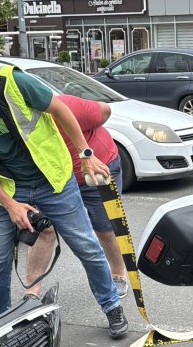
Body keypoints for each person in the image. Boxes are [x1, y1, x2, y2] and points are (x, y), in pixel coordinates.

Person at [0, 63, 129, 339]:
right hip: (9, 187)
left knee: (87, 247)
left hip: (52, 178)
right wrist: (9, 204)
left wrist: (86, 153)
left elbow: (60, 109)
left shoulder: (12, 83)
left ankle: (112, 306)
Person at [24, 93, 130, 304]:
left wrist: (88, 145)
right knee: (43, 230)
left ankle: (118, 274)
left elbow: (104, 110)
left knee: (104, 229)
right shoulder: (15, 124)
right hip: (55, 180)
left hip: (95, 172)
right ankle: (31, 292)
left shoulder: (67, 107)